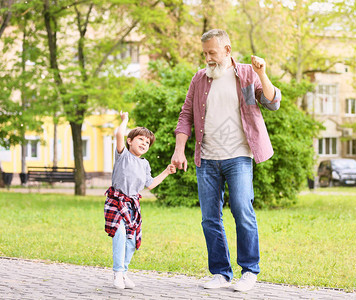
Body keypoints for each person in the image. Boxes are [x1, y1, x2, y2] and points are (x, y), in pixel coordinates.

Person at [171, 29, 281, 292]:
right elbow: (186, 115)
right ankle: (220, 272)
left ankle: (250, 271)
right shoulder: (200, 79)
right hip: (206, 158)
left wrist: (263, 73)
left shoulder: (244, 75)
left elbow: (271, 102)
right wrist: (179, 150)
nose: (208, 58)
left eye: (212, 52)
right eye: (205, 53)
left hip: (239, 155)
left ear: (227, 50)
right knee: (210, 217)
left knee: (242, 210)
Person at [105, 111, 176, 289]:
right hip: (116, 201)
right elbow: (119, 134)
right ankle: (118, 272)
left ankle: (124, 272)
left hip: (132, 205)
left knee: (131, 240)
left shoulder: (144, 164)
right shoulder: (123, 155)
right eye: (140, 139)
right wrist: (125, 120)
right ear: (130, 141)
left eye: (147, 142)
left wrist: (166, 172)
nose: (144, 143)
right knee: (119, 234)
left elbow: (150, 184)